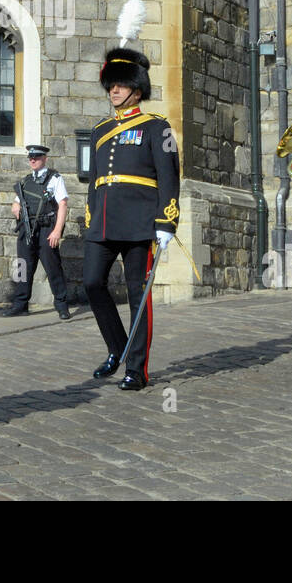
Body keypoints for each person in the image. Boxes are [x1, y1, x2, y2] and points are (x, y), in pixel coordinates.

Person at [83, 46, 180, 392]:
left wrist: (166, 221)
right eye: (112, 85)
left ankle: (136, 369)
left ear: (137, 90)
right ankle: (117, 348)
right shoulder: (100, 130)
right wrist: (91, 217)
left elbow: (169, 177)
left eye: (121, 85)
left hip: (140, 222)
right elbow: (95, 179)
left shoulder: (157, 128)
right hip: (105, 221)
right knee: (92, 283)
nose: (114, 90)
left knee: (139, 295)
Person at [6, 145, 72, 319]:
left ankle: (61, 305)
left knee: (53, 267)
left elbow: (63, 204)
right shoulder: (25, 181)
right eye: (30, 158)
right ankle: (20, 304)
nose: (33, 160)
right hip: (26, 228)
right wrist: (15, 205)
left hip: (46, 228)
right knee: (21, 266)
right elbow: (17, 201)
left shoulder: (55, 178)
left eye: (36, 157)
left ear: (45, 158)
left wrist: (57, 230)